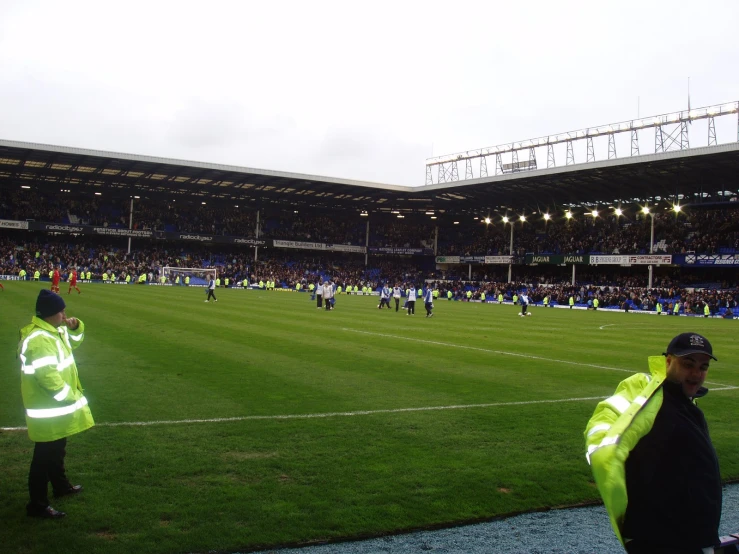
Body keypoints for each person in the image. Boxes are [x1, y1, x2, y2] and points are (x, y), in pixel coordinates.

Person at [584, 333, 722, 553]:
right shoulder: (650, 395)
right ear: (668, 361)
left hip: (696, 536)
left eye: (703, 367)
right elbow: (602, 430)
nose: (696, 374)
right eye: (688, 364)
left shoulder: (687, 404)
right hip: (662, 539)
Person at [19, 290, 94, 519]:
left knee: (56, 450)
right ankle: (38, 506)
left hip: (55, 410)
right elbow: (48, 378)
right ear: (51, 314)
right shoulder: (40, 340)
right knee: (43, 458)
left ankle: (61, 487)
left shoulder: (54, 331)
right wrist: (70, 397)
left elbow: (75, 343)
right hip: (47, 410)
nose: (65, 314)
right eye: (61, 311)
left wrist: (75, 327)